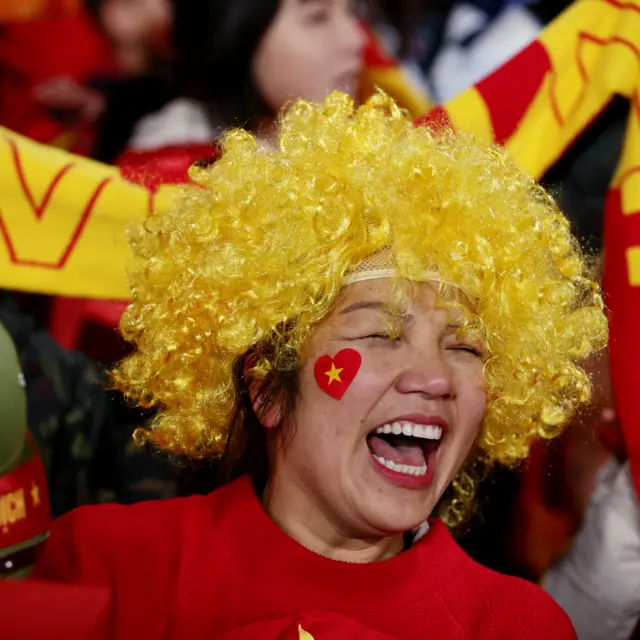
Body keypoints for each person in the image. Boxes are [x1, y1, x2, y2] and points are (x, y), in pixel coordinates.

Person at [12, 92, 606, 638]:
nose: (433, 378)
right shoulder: (103, 569)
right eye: (380, 333)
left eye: (466, 346)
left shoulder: (515, 627)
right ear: (268, 386)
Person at [121, 0, 366, 157]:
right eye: (318, 17)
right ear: (235, 36)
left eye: (352, 12)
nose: (355, 39)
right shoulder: (174, 182)